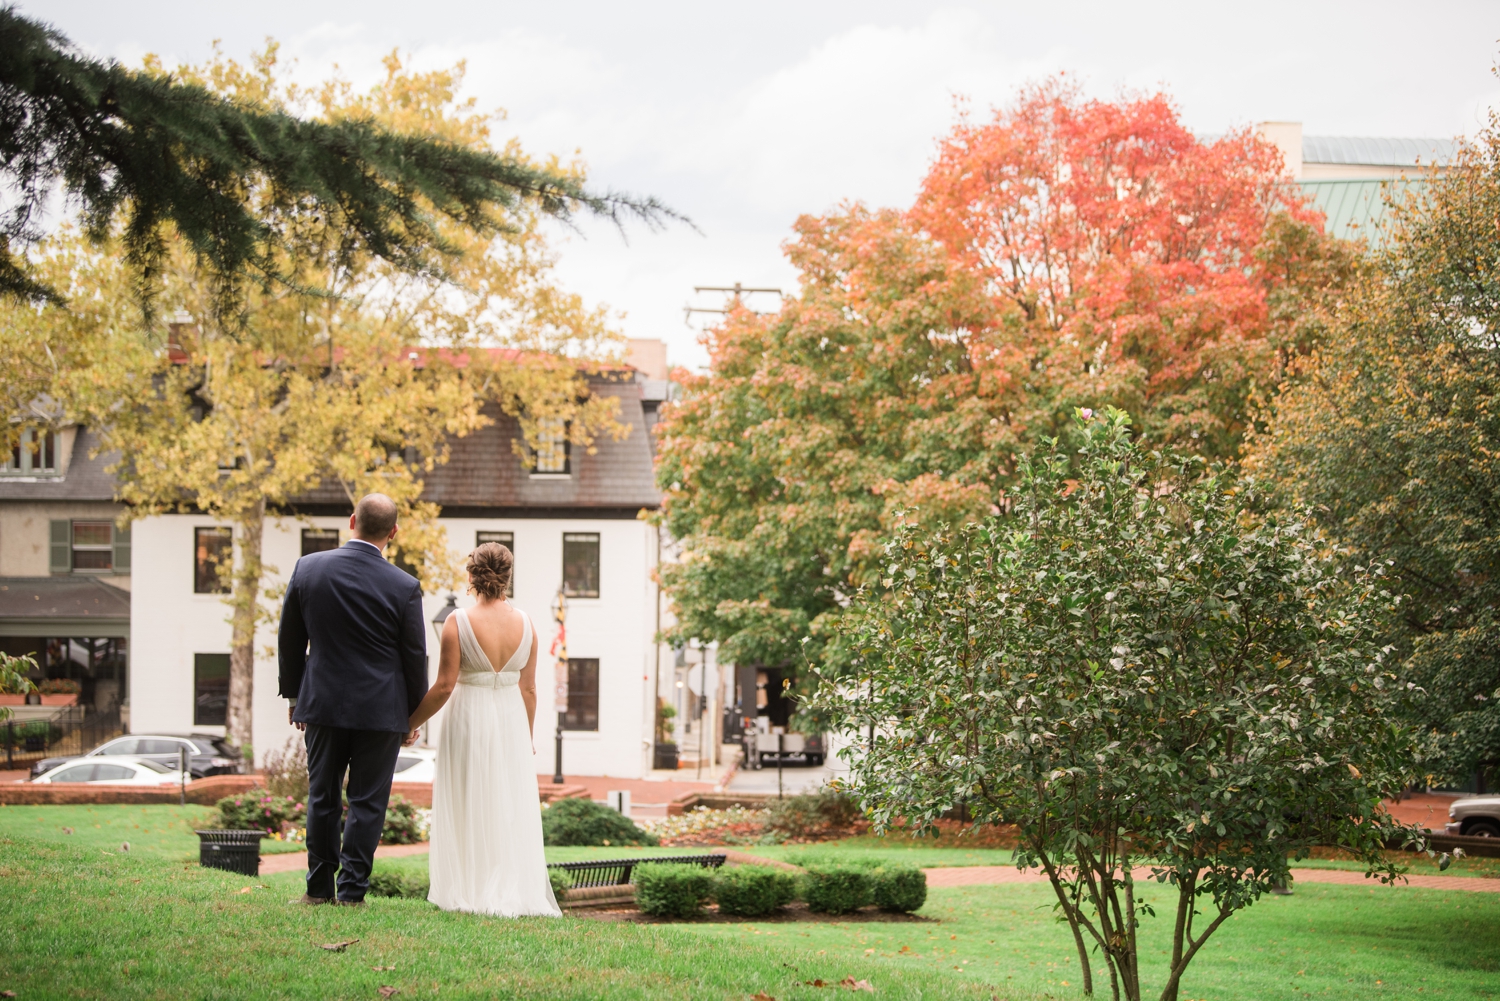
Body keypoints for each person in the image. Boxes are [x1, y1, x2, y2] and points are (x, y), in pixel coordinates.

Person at [278, 493, 427, 906]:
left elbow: (290, 639)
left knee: (322, 795)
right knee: (367, 801)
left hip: (322, 703)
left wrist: (294, 696)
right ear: (393, 533)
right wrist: (412, 716)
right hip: (381, 710)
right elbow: (415, 658)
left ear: (351, 521)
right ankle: (352, 892)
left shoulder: (308, 569)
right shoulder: (404, 585)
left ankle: (317, 890)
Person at [407, 542, 560, 917]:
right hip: (511, 718)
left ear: (471, 575)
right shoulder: (527, 625)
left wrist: (409, 724)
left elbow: (444, 686)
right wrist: (527, 736)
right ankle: (507, 889)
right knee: (506, 804)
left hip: (468, 714)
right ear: (508, 576)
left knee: (466, 797)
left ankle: (469, 889)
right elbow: (529, 689)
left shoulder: (457, 623)